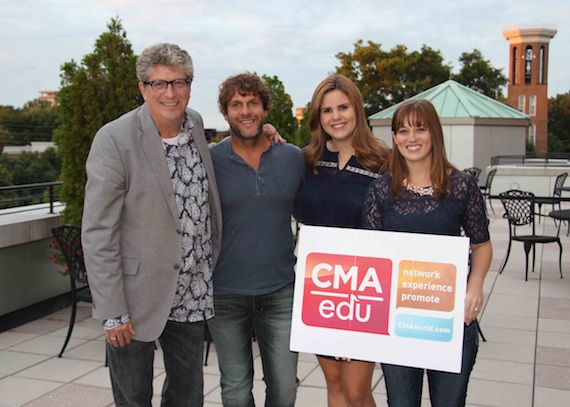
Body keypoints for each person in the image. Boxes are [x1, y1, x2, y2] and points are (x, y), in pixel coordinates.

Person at [82, 43, 222, 406]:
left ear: (190, 85)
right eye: (158, 84)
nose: (170, 93)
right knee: (132, 398)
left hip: (192, 293)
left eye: (178, 82)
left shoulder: (195, 124)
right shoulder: (115, 139)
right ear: (143, 88)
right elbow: (99, 233)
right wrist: (112, 313)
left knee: (188, 396)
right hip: (134, 299)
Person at [362, 99, 492, 406]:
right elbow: (371, 258)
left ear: (434, 132)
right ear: (394, 137)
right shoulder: (380, 191)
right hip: (398, 321)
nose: (412, 138)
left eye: (420, 128)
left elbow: (482, 244)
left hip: (450, 318)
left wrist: (475, 286)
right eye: (403, 130)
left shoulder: (461, 186)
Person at [207, 72, 305, 406]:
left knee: (285, 388)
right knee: (235, 388)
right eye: (236, 104)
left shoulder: (292, 157)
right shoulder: (210, 160)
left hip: (281, 290)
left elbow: (316, 207)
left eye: (252, 103)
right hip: (225, 292)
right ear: (225, 113)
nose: (245, 111)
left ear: (265, 110)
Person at [295, 74, 390, 407]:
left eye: (343, 107)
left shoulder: (384, 163)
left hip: (366, 288)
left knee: (356, 391)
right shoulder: (306, 162)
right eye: (326, 110)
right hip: (321, 288)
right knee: (334, 383)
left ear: (357, 110)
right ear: (318, 118)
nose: (336, 117)